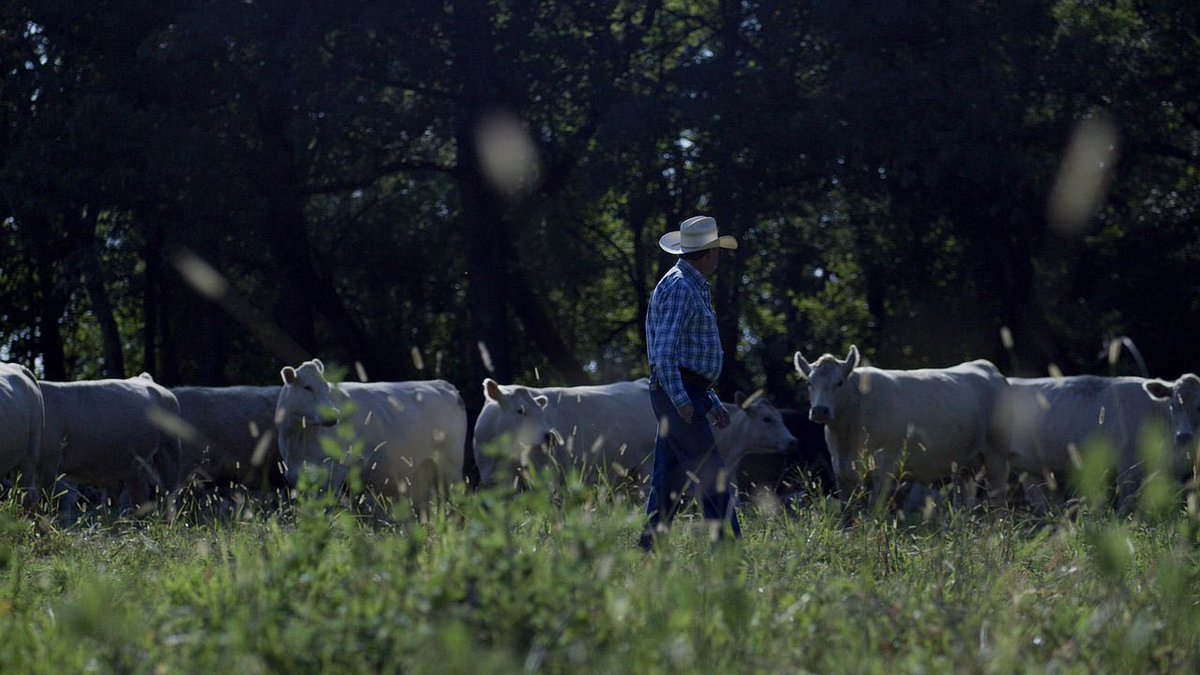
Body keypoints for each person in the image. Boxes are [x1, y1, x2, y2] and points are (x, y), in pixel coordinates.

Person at [639, 215, 741, 551]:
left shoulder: (688, 284)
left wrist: (709, 400)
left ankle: (649, 550)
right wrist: (682, 400)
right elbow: (665, 354)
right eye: (717, 251)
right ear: (710, 253)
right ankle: (729, 554)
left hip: (684, 389)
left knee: (668, 480)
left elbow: (685, 354)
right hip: (677, 390)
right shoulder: (682, 287)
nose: (719, 257)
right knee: (712, 474)